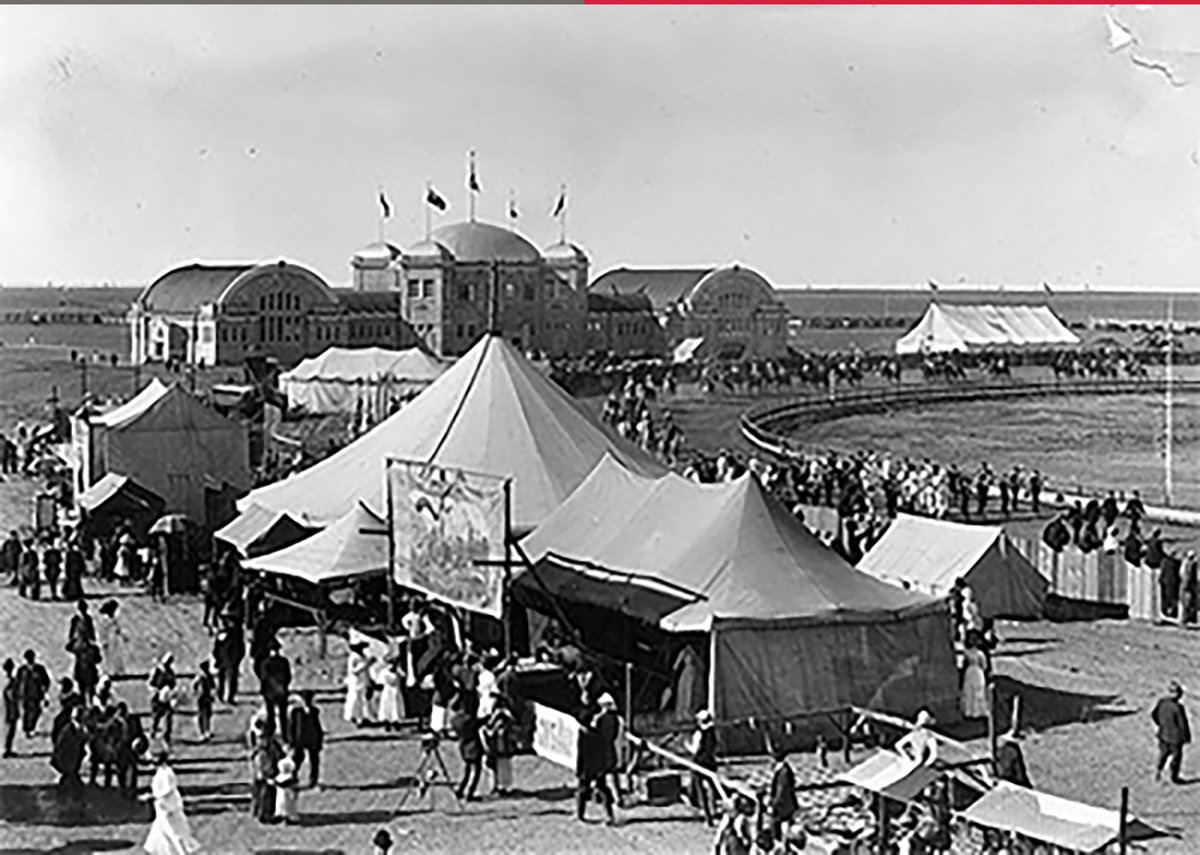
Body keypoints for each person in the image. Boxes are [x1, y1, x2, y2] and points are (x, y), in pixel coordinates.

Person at [142, 749, 203, 854]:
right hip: (162, 810)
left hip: (169, 810)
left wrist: (153, 797)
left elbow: (167, 791)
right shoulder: (160, 772)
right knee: (157, 839)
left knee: (176, 836)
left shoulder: (166, 773)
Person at [576, 693, 620, 825]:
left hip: (588, 765)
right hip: (601, 761)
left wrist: (579, 768)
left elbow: (581, 753)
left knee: (583, 789)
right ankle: (609, 814)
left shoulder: (585, 734)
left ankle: (580, 814)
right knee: (603, 788)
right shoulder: (607, 726)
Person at [1152, 681, 1191, 784]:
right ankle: (1174, 777)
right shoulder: (1178, 708)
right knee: (1176, 757)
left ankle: (1158, 771)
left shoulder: (1161, 702)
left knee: (1163, 753)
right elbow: (1182, 724)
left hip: (1163, 734)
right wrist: (1186, 737)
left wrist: (1161, 725)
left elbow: (1154, 715)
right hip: (1175, 738)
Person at [688, 709, 719, 826]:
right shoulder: (712, 733)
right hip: (710, 761)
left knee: (701, 790)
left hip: (699, 763)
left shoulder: (699, 733)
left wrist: (687, 746)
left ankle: (708, 816)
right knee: (711, 788)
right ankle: (713, 810)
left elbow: (694, 749)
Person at [288, 689, 324, 789]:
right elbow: (292, 727)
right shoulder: (296, 712)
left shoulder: (315, 711)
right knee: (297, 758)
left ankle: (313, 779)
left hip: (312, 739)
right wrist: (292, 741)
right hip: (300, 739)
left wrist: (319, 739)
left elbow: (318, 726)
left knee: (314, 761)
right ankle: (293, 775)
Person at [481, 694, 516, 797]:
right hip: (499, 749)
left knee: (500, 769)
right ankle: (498, 787)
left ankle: (500, 788)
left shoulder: (502, 718)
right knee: (498, 768)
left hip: (500, 748)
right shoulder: (500, 718)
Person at [51, 703, 89, 793]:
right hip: (68, 756)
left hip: (71, 755)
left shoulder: (72, 727)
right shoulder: (71, 729)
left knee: (71, 774)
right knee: (71, 775)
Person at [259, 641, 291, 741]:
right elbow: (264, 678)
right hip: (273, 691)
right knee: (271, 715)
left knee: (282, 715)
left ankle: (284, 734)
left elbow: (288, 676)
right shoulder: (266, 663)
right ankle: (272, 734)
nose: (275, 652)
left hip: (277, 691)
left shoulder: (282, 662)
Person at [15, 648, 50, 739]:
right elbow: (17, 682)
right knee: (27, 712)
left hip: (37, 695)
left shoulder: (39, 669)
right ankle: (28, 729)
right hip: (26, 695)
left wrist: (45, 692)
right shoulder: (22, 670)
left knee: (37, 711)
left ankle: (31, 727)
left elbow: (46, 681)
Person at [767, 744, 798, 846]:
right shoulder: (781, 769)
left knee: (781, 828)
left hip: (784, 805)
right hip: (784, 804)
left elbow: (781, 791)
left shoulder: (783, 772)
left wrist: (774, 804)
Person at [454, 707, 484, 802]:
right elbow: (480, 722)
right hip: (473, 746)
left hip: (463, 746)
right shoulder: (470, 721)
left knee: (467, 770)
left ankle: (461, 789)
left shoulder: (455, 720)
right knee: (476, 771)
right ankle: (470, 793)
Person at [148, 652, 178, 743]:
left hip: (167, 697)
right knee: (156, 716)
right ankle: (153, 731)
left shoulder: (171, 672)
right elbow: (150, 684)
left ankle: (167, 734)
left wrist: (171, 693)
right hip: (157, 697)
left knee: (169, 716)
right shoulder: (157, 671)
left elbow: (173, 684)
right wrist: (157, 691)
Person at [343, 641, 372, 726]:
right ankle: (353, 716)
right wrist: (365, 665)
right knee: (355, 698)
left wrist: (369, 681)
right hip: (355, 681)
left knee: (363, 699)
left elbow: (367, 671)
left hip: (363, 680)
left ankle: (363, 717)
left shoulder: (364, 657)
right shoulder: (353, 657)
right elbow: (353, 671)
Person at [961, 638, 989, 720]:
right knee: (977, 691)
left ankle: (969, 711)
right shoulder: (980, 654)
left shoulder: (967, 653)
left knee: (969, 691)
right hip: (977, 672)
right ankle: (978, 711)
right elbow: (984, 665)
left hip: (969, 672)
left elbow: (964, 665)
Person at [98, 599, 127, 678]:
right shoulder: (105, 619)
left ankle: (116, 671)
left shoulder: (113, 619)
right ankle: (106, 671)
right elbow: (103, 631)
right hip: (108, 639)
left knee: (115, 655)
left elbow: (117, 629)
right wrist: (103, 640)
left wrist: (123, 636)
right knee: (107, 656)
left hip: (114, 639)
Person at [377, 652, 405, 731]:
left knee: (396, 706)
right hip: (387, 691)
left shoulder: (397, 672)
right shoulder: (384, 672)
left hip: (396, 691)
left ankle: (396, 722)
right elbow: (380, 683)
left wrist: (399, 669)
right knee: (387, 707)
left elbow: (403, 676)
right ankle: (387, 723)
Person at [274, 750, 300, 824]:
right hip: (287, 796)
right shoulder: (290, 778)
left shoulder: (279, 778)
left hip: (282, 796)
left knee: (283, 805)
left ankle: (283, 816)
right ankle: (289, 817)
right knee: (289, 807)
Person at [193, 660, 215, 741]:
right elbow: (194, 685)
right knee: (202, 715)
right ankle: (202, 733)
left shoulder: (209, 676)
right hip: (201, 698)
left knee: (208, 714)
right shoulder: (200, 677)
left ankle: (207, 731)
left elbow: (213, 686)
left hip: (207, 697)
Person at [3, 658, 19, 756]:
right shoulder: (11, 681)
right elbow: (11, 695)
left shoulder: (10, 680)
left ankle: (8, 748)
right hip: (10, 709)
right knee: (10, 730)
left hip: (9, 708)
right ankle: (7, 749)